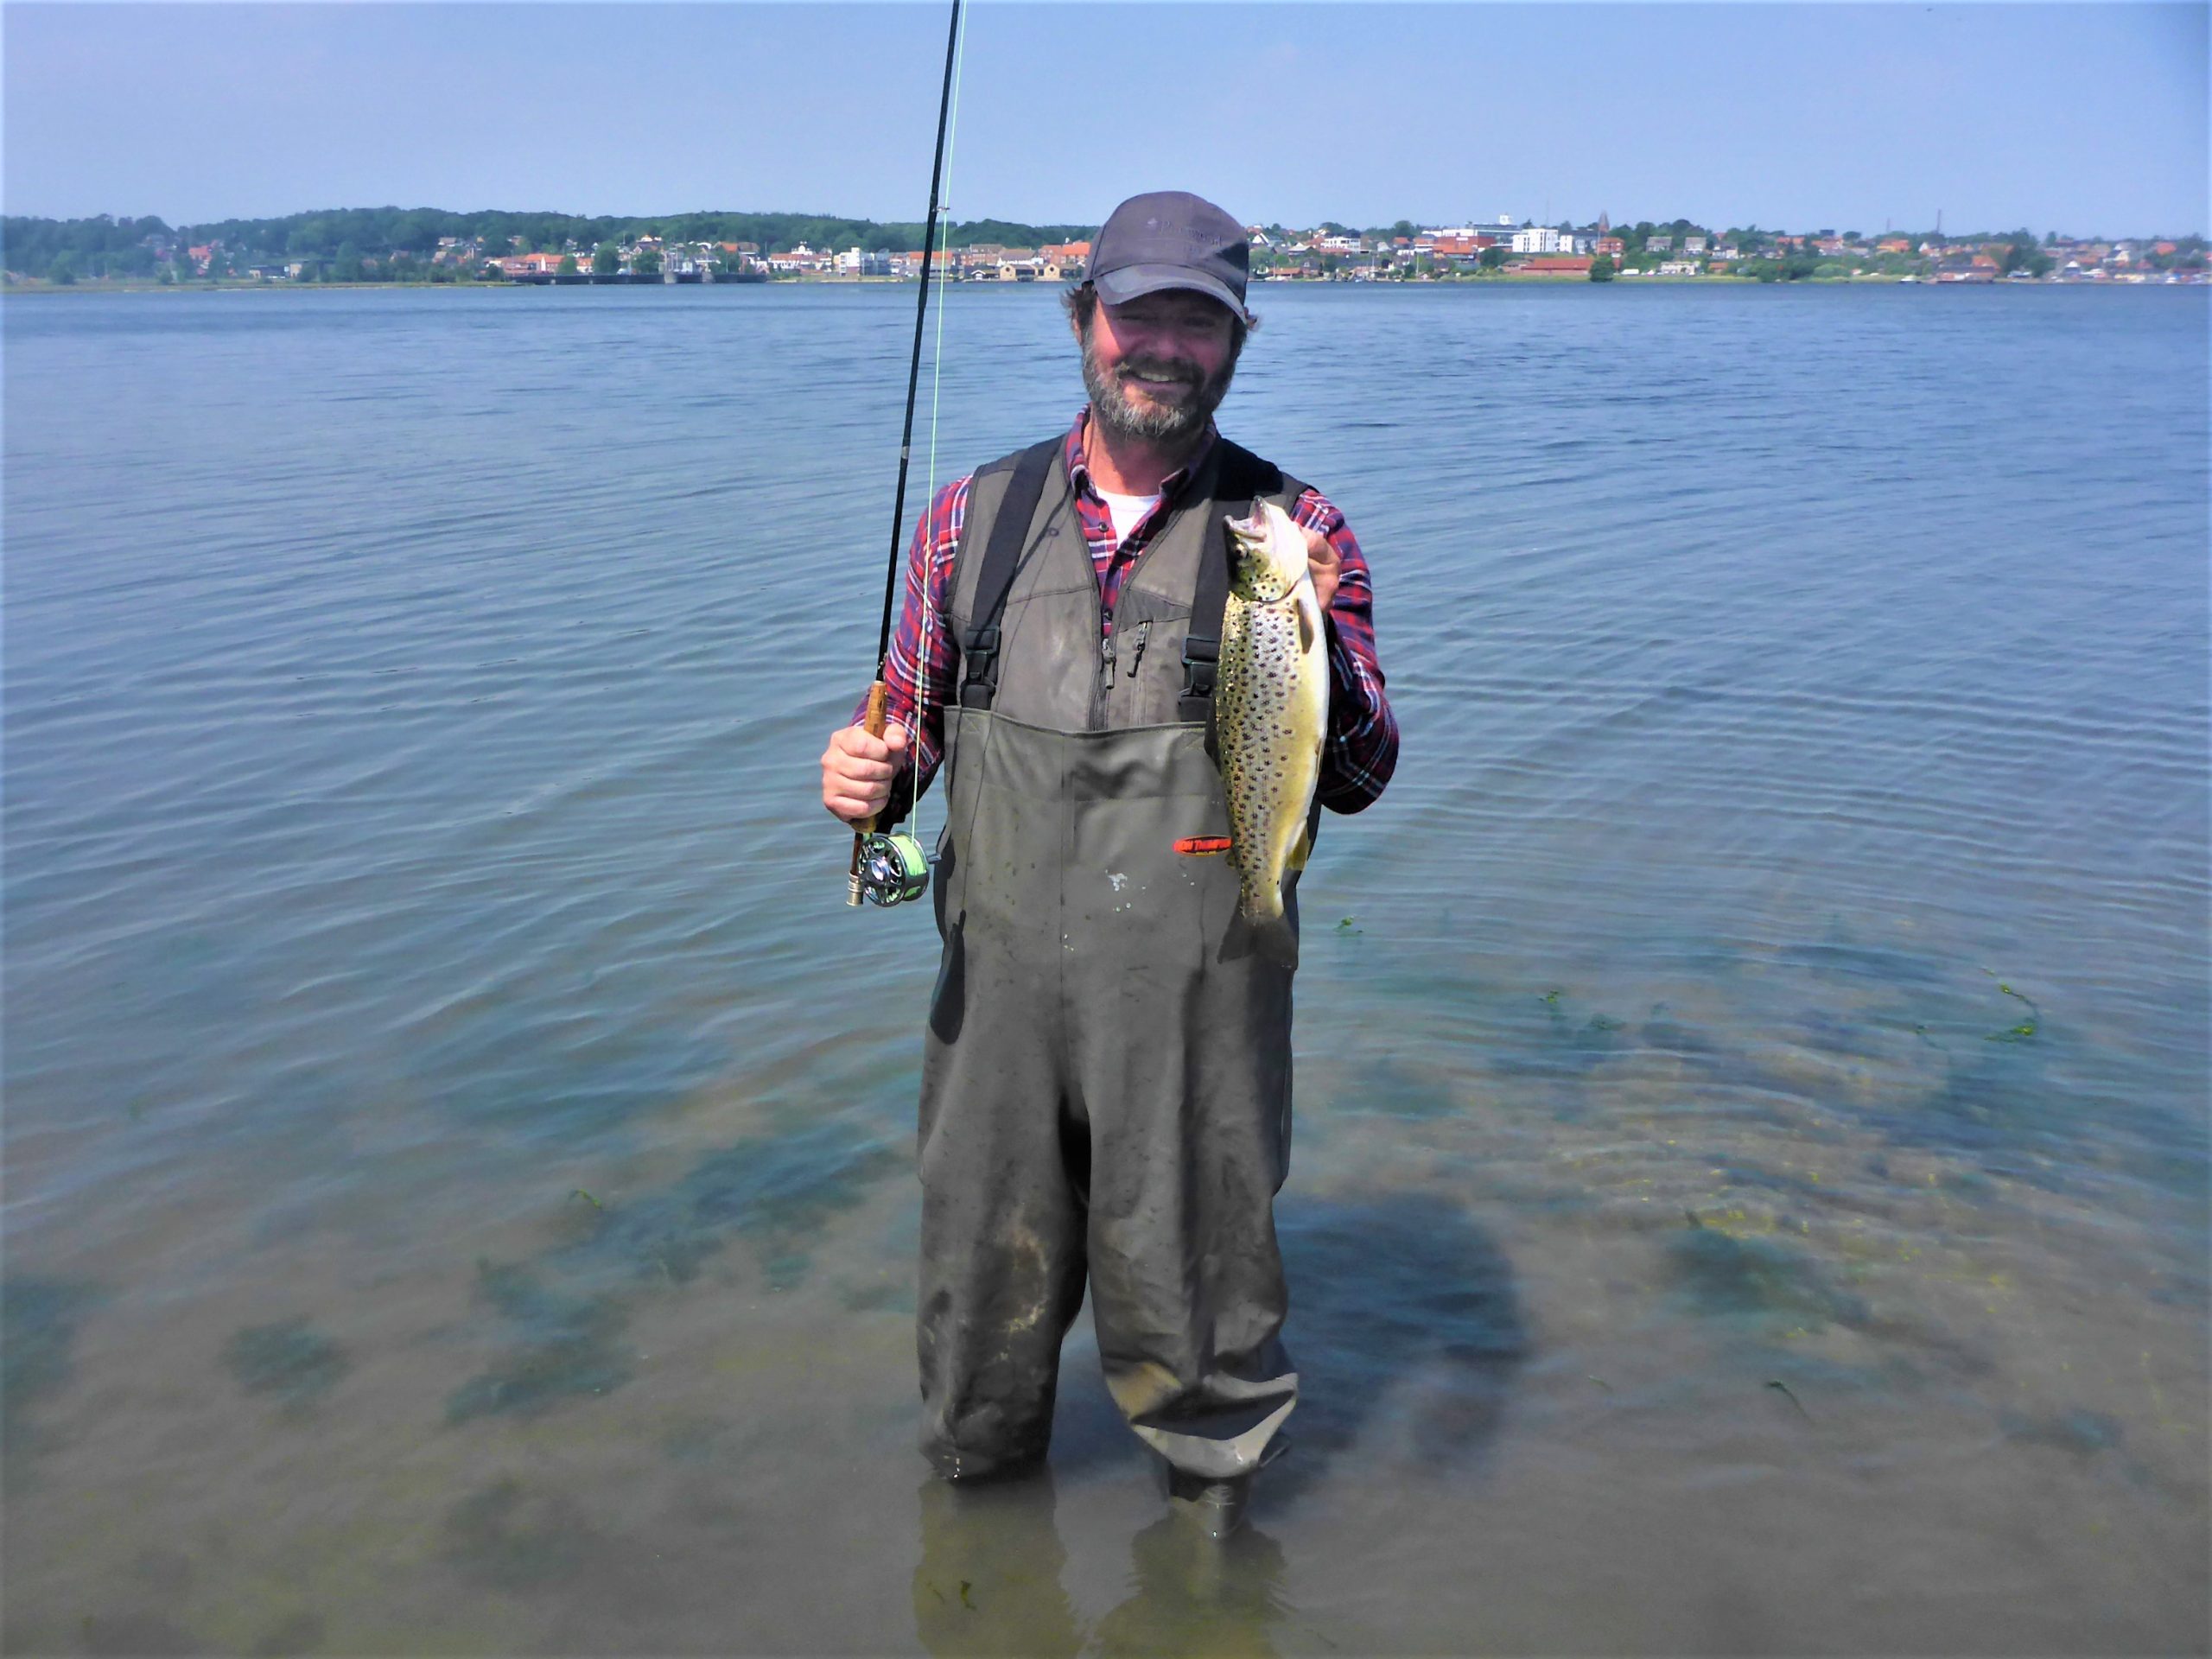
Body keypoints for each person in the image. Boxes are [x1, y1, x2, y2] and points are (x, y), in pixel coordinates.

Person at [819, 190, 1399, 1535]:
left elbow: (1360, 780)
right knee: (976, 1295)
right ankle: (975, 1542)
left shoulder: (1295, 529)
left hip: (1203, 988)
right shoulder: (972, 517)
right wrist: (863, 778)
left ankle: (1205, 1565)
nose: (1165, 348)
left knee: (1197, 1294)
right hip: (997, 1000)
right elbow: (905, 739)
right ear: (1086, 321)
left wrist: (1305, 626)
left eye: (1199, 322)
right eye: (1140, 314)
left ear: (1237, 344)